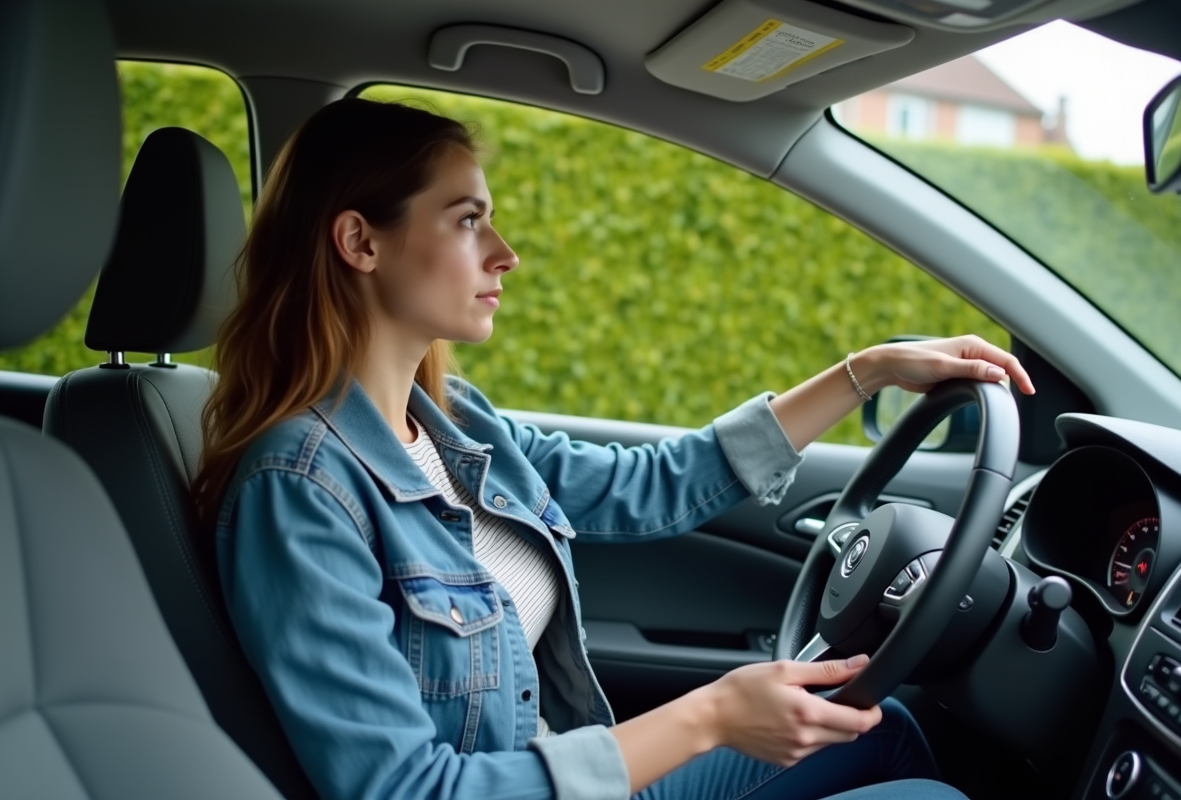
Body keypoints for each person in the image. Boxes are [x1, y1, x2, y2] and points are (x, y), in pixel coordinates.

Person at [194, 97, 1035, 800]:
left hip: (574, 774)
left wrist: (867, 371)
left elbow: (660, 483)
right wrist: (707, 716)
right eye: (467, 220)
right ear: (360, 243)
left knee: (888, 730)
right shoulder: (300, 487)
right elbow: (406, 789)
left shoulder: (457, 425)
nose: (505, 254)